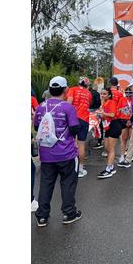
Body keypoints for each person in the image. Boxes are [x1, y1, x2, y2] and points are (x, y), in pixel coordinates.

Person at [33, 76, 82, 227]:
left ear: (49, 89)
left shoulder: (41, 106)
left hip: (46, 154)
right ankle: (69, 213)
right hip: (66, 153)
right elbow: (74, 128)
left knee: (46, 184)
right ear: (66, 89)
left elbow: (37, 127)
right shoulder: (68, 107)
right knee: (68, 183)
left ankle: (42, 216)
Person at [66, 76, 93, 178]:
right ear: (87, 85)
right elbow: (88, 105)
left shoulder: (72, 89)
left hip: (73, 119)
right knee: (81, 144)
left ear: (78, 83)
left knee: (70, 142)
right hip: (84, 119)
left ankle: (70, 167)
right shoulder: (88, 93)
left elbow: (68, 103)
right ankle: (80, 169)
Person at [96, 88, 118, 179]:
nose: (102, 95)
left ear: (109, 95)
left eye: (104, 94)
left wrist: (102, 113)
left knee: (111, 148)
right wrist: (99, 115)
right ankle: (111, 166)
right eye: (101, 93)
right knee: (107, 148)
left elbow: (112, 114)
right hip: (107, 126)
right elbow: (103, 115)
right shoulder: (103, 103)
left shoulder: (111, 102)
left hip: (114, 125)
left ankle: (108, 169)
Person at [108, 76, 131, 163]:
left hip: (109, 118)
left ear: (110, 83)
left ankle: (111, 156)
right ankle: (122, 155)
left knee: (110, 139)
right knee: (122, 139)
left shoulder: (107, 92)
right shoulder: (120, 95)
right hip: (119, 119)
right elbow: (121, 107)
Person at [89, 82, 103, 150]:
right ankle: (99, 141)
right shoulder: (97, 93)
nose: (97, 88)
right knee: (99, 125)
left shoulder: (88, 93)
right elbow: (98, 102)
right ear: (95, 87)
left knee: (89, 125)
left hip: (89, 110)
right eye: (97, 87)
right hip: (96, 110)